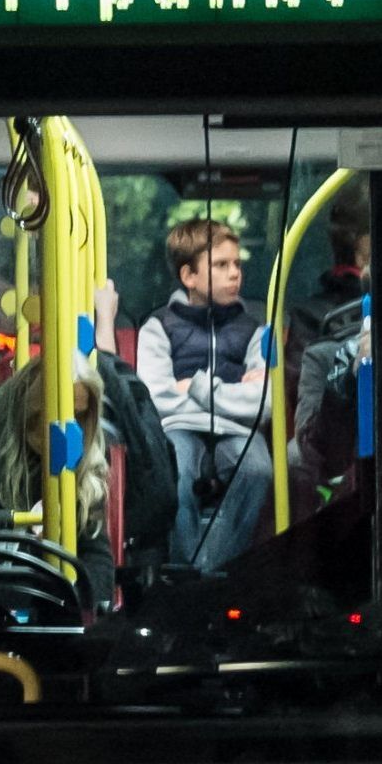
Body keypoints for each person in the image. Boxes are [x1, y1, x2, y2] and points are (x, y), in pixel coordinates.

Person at [139, 215, 269, 565]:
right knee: (176, 475)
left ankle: (214, 566)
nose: (235, 274)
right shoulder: (159, 327)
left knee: (258, 470)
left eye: (237, 264)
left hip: (235, 428)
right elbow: (156, 398)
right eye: (221, 265)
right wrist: (232, 392)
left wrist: (197, 387)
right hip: (179, 425)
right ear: (188, 276)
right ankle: (185, 567)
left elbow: (263, 403)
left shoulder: (253, 330)